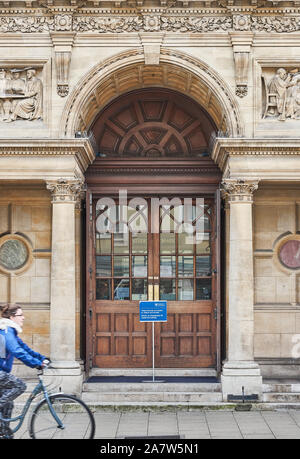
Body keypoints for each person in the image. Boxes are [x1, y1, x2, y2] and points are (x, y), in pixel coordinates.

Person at [0, 303, 48, 439]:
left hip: (2, 372)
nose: (24, 318)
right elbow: (17, 351)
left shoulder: (11, 331)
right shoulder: (6, 331)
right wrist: (36, 364)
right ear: (12, 317)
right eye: (21, 315)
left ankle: (3, 433)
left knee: (8, 403)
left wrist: (42, 359)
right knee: (20, 386)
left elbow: (25, 348)